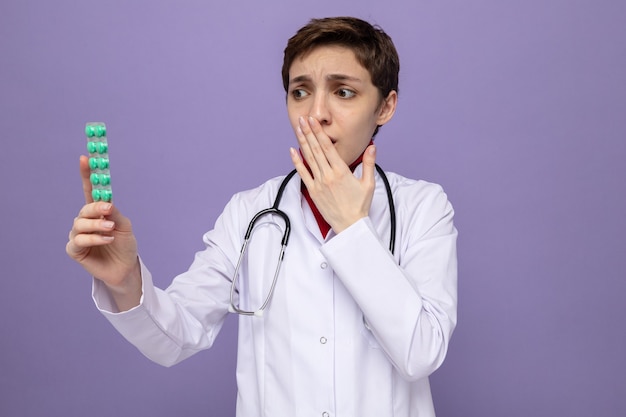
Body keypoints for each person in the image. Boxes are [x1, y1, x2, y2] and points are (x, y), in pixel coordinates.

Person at [66, 16, 458, 417]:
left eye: (343, 91)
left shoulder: (423, 208)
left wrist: (353, 228)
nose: (317, 113)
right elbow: (176, 337)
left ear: (385, 107)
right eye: (300, 91)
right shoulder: (250, 213)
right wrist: (126, 280)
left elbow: (422, 353)